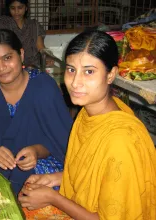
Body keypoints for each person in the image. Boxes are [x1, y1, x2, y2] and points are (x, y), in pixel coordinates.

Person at [18, 30, 156, 220]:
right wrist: (55, 178)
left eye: (89, 71)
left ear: (110, 75)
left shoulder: (121, 141)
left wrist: (53, 198)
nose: (75, 83)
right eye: (71, 69)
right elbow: (90, 173)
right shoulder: (87, 114)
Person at [0, 29, 73, 194]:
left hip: (40, 163)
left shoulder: (44, 87)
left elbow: (61, 141)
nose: (1, 68)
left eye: (7, 58)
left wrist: (37, 151)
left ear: (21, 54)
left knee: (40, 187)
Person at [0, 0, 46, 68]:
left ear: (26, 8)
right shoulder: (2, 24)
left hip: (34, 66)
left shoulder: (34, 25)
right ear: (9, 9)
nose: (16, 11)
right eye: (13, 8)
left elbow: (40, 47)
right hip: (10, 66)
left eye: (20, 8)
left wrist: (46, 57)